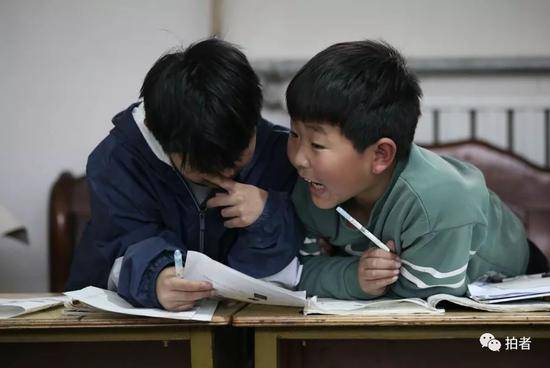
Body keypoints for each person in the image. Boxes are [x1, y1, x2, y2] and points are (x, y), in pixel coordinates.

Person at [286, 40, 546, 300]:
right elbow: (294, 274)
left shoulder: (438, 201)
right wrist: (354, 277)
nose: (298, 158)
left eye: (317, 144)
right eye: (294, 134)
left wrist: (345, 278)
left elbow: (425, 306)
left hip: (513, 283)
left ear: (380, 155)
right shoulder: (314, 184)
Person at [66, 39, 302, 310]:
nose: (226, 173)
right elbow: (120, 244)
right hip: (137, 329)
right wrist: (156, 278)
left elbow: (290, 259)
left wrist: (268, 213)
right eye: (207, 167)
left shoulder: (279, 154)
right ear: (163, 140)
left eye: (237, 158)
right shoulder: (118, 161)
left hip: (246, 325)